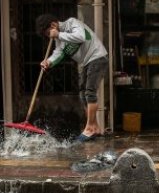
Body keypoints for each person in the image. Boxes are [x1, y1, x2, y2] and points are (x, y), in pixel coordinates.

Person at [35, 14, 108, 142]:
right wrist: (48, 62)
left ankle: (90, 127)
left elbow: (80, 37)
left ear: (53, 25)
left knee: (90, 92)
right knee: (82, 93)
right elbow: (59, 53)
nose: (49, 36)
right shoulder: (59, 39)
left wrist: (58, 34)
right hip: (86, 63)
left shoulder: (72, 23)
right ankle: (95, 127)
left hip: (97, 57)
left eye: (48, 33)